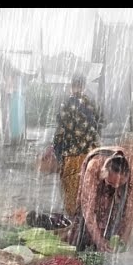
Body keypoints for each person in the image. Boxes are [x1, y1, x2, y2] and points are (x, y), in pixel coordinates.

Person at [66, 146, 133, 253]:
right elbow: (87, 209)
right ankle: (85, 245)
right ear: (103, 172)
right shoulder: (94, 167)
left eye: (120, 183)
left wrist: (124, 239)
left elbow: (131, 210)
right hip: (97, 179)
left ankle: (109, 242)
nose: (115, 187)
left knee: (118, 213)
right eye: (111, 183)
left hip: (121, 178)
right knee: (84, 224)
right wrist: (99, 241)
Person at [51, 73, 105, 216]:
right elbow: (99, 124)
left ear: (71, 85)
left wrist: (57, 150)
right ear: (84, 85)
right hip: (89, 156)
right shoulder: (91, 103)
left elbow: (60, 130)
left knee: (71, 189)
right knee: (90, 185)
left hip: (71, 156)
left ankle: (74, 220)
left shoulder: (65, 105)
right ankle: (88, 215)